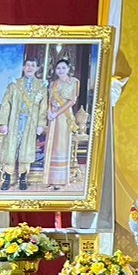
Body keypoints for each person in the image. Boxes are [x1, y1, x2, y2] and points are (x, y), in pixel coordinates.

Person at [0, 50, 47, 191]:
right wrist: (3, 123)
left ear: (37, 68)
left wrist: (41, 124)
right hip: (14, 122)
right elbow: (6, 104)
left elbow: (43, 107)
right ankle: (7, 178)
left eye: (33, 65)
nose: (30, 68)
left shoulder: (41, 86)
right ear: (23, 68)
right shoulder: (14, 84)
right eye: (27, 65)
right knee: (11, 149)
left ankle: (23, 178)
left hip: (30, 123)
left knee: (26, 149)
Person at [42, 57, 79, 189]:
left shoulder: (73, 82)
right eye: (58, 68)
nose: (61, 70)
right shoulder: (53, 84)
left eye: (63, 68)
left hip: (64, 116)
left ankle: (60, 180)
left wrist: (57, 112)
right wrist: (49, 113)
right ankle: (50, 179)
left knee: (61, 145)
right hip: (53, 117)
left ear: (68, 69)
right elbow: (49, 100)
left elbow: (72, 101)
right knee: (51, 146)